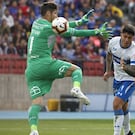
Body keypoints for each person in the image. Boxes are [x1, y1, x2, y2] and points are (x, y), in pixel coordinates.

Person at [25, 2, 112, 135]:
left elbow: (63, 26)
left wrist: (80, 21)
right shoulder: (50, 28)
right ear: (48, 13)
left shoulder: (37, 23)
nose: (57, 16)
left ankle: (33, 130)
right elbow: (73, 33)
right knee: (76, 70)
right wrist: (96, 32)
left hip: (31, 70)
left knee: (36, 102)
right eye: (55, 13)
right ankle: (76, 88)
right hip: (44, 64)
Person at [103, 24, 135, 135]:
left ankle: (116, 133)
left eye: (129, 38)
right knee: (123, 107)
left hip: (129, 80)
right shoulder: (113, 42)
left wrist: (126, 68)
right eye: (125, 36)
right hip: (117, 79)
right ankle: (128, 132)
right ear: (121, 35)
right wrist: (107, 71)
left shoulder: (134, 51)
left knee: (116, 104)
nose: (126, 40)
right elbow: (109, 55)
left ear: (133, 38)